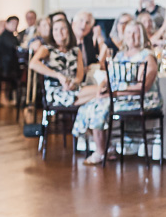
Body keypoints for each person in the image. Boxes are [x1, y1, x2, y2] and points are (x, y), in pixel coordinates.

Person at [72, 19, 162, 165]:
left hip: (141, 100)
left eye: (136, 33)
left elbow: (143, 87)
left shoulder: (147, 55)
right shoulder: (120, 55)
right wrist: (103, 86)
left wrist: (114, 94)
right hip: (119, 98)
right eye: (128, 33)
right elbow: (108, 78)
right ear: (124, 36)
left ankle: (100, 152)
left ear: (142, 35)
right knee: (86, 107)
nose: (132, 36)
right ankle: (108, 147)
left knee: (99, 107)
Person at [29, 17, 88, 108]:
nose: (59, 32)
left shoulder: (76, 51)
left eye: (63, 29)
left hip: (74, 88)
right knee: (101, 93)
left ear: (68, 31)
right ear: (52, 32)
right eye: (55, 29)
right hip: (56, 92)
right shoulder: (47, 49)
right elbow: (33, 64)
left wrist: (73, 83)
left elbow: (79, 76)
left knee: (101, 98)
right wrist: (58, 76)